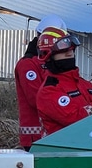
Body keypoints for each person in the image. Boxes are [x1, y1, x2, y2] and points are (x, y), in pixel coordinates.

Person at [14, 15, 66, 150]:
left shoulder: (51, 63)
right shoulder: (27, 64)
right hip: (34, 136)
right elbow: (35, 99)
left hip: (52, 133)